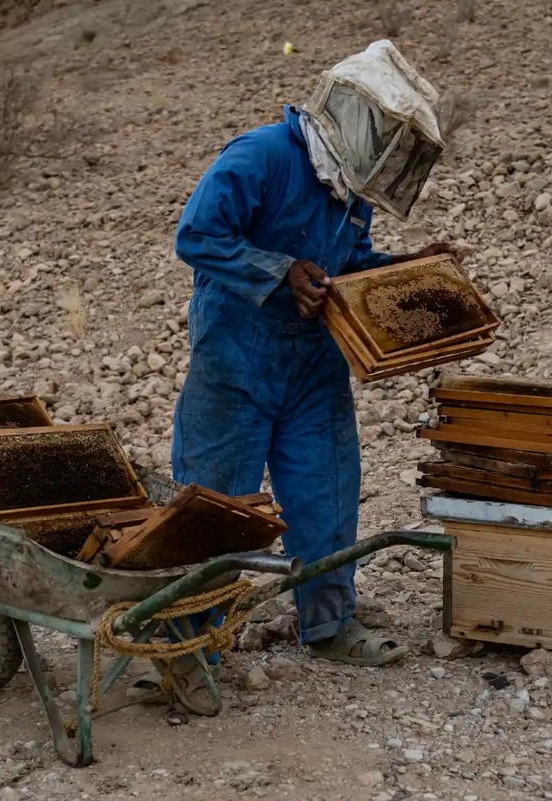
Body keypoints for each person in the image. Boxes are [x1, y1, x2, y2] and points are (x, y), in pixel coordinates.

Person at [171, 41, 451, 677]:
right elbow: (197, 236)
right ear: (357, 119)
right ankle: (185, 644)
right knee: (217, 503)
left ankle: (328, 624)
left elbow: (347, 267)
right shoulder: (261, 156)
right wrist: (279, 270)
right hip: (234, 359)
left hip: (313, 365)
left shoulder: (349, 192)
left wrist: (410, 269)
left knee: (325, 493)